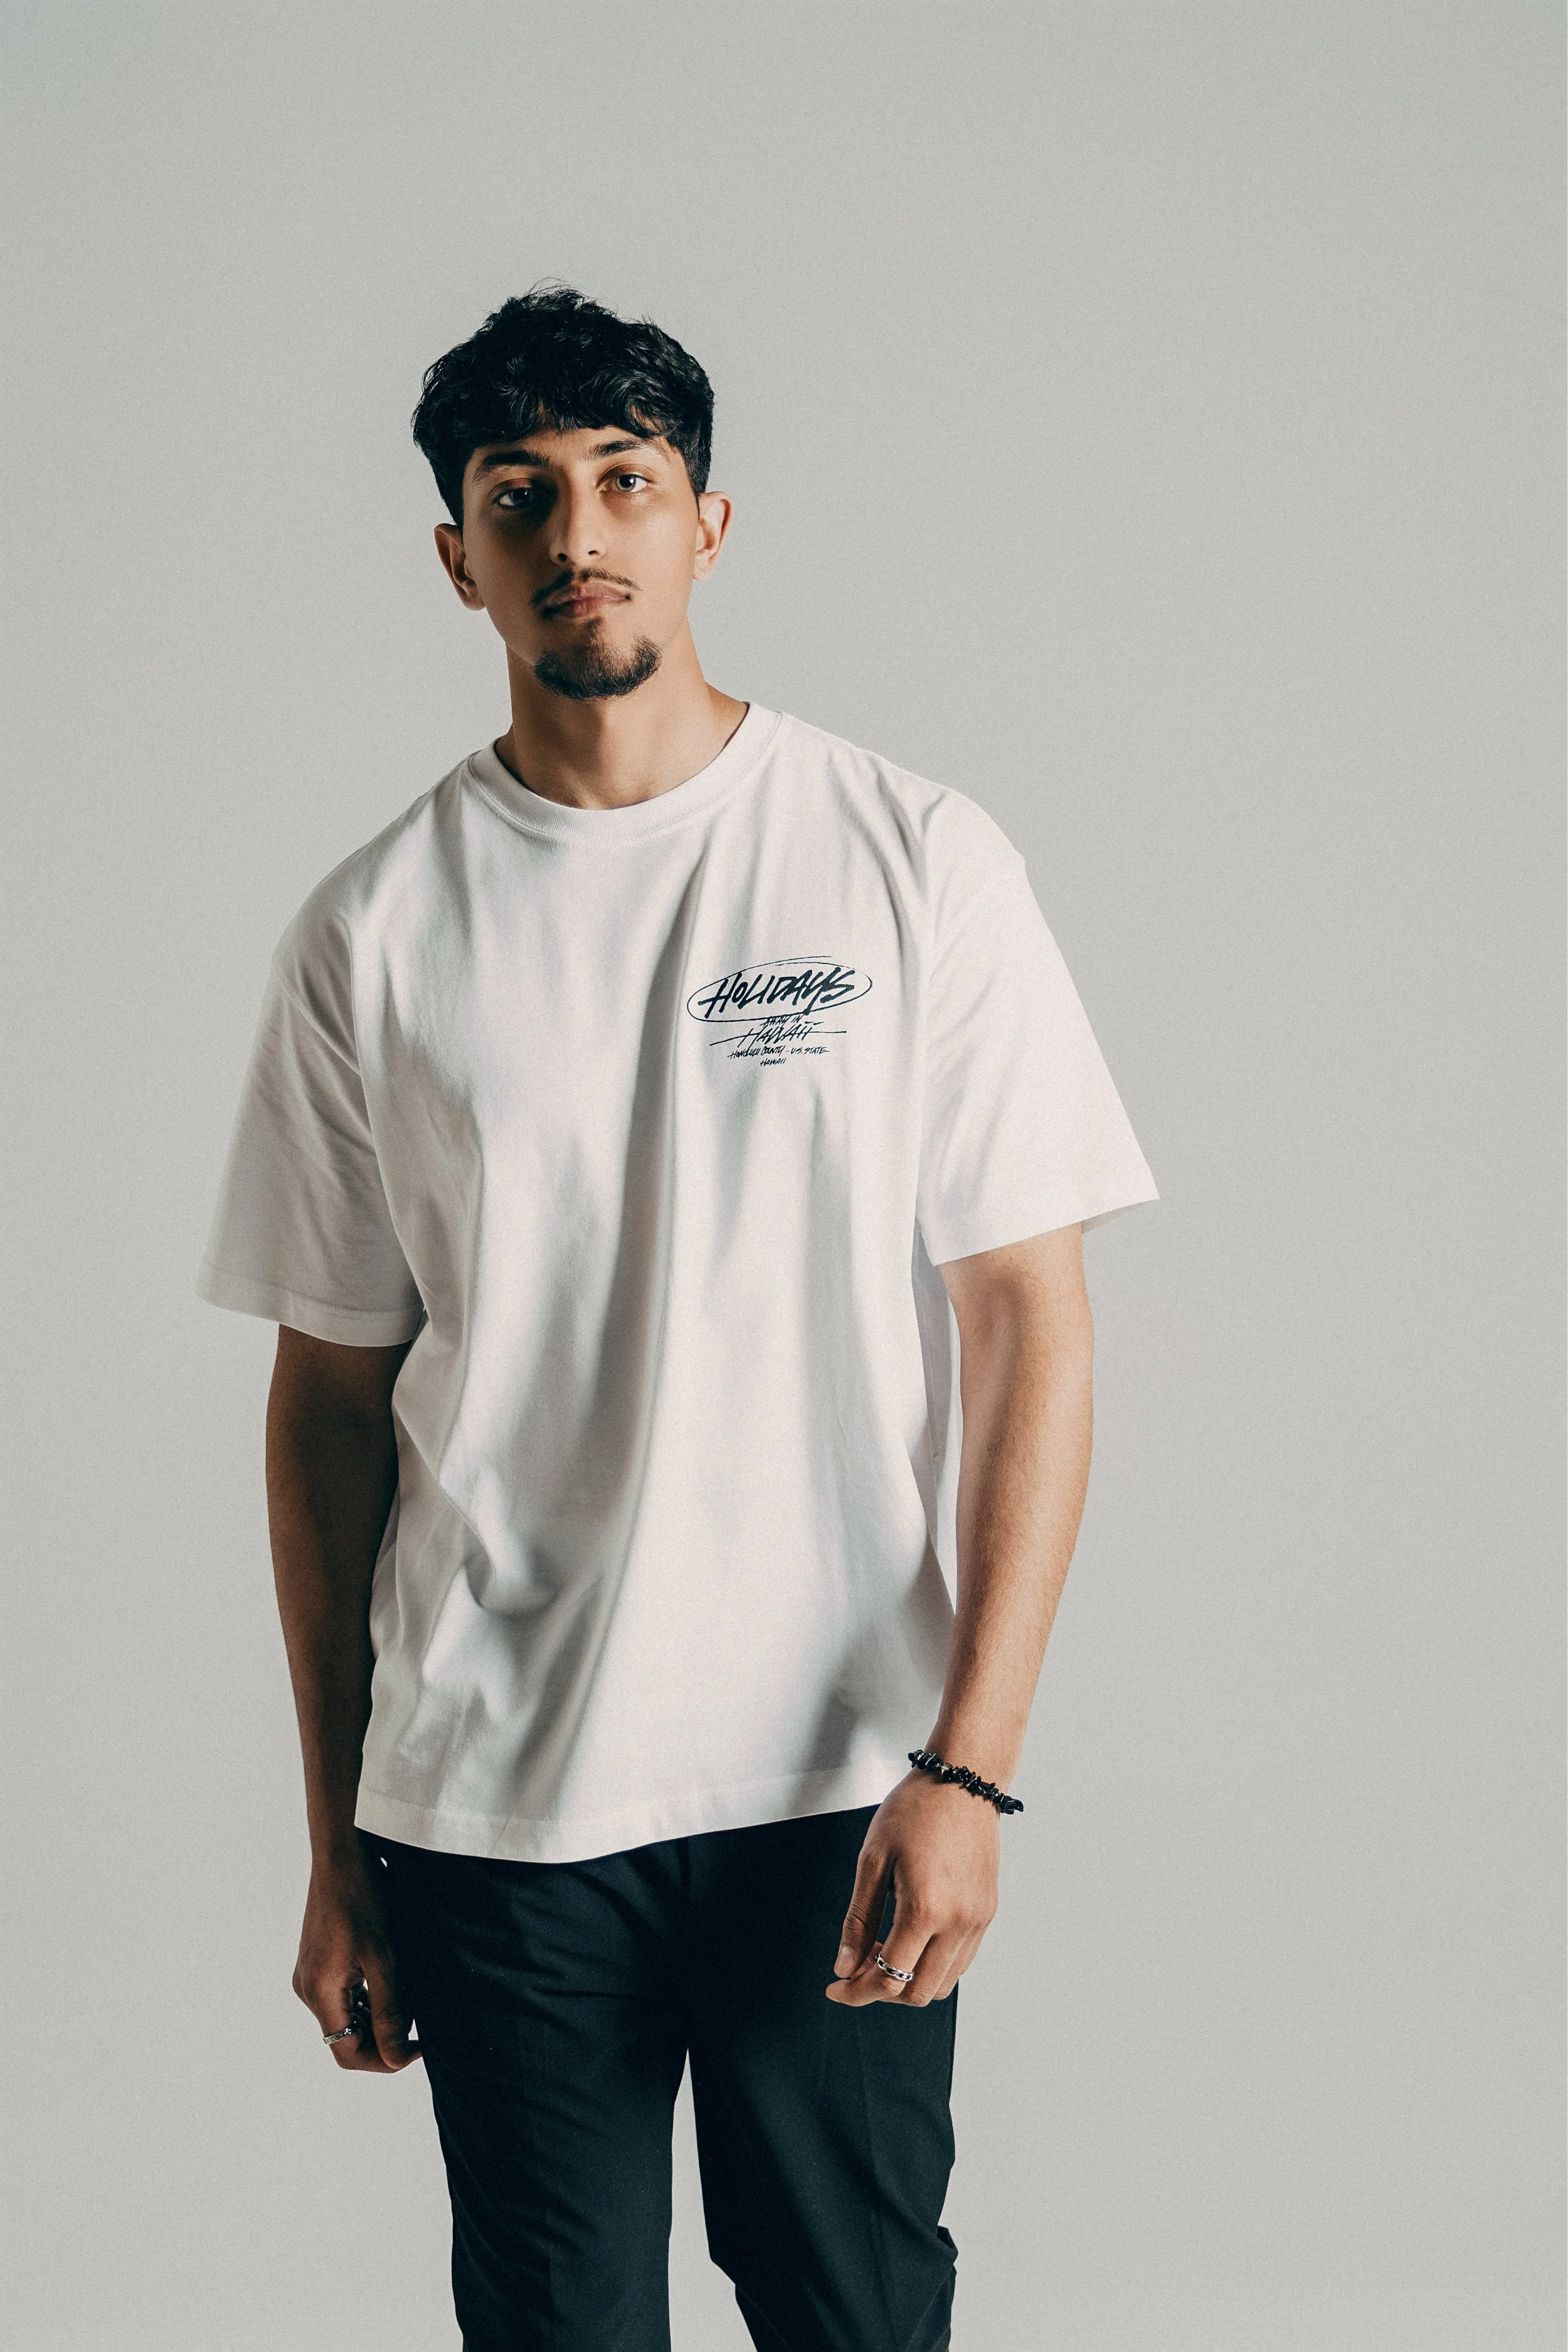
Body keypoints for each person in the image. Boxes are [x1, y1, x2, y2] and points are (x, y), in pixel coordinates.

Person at [196, 284, 1157, 2352]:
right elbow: (327, 1410)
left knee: (853, 2313)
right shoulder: (372, 932)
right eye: (518, 493)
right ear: (458, 555)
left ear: (708, 519)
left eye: (624, 480)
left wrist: (969, 1770)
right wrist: (337, 1839)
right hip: (493, 1801)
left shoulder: (908, 858)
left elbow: (1031, 1327)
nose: (577, 533)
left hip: (836, 1779)